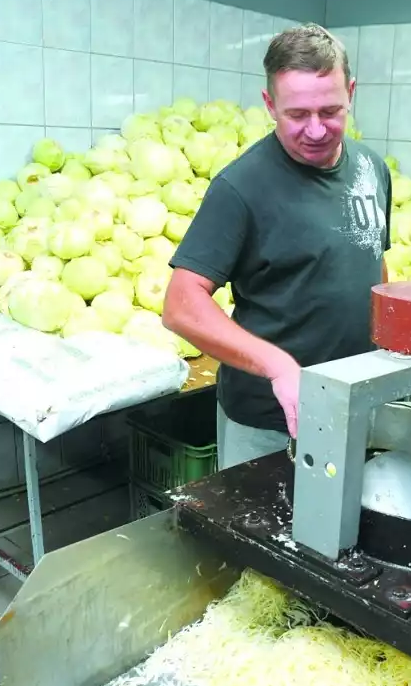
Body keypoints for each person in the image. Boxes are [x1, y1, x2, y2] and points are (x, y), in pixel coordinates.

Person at [162, 24, 392, 470]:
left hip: (355, 404)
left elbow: (373, 265)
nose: (316, 129)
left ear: (352, 92)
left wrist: (393, 345)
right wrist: (278, 367)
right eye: (297, 114)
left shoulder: (371, 168)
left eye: (331, 110)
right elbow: (180, 305)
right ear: (269, 105)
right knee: (260, 535)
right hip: (270, 421)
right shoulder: (241, 187)